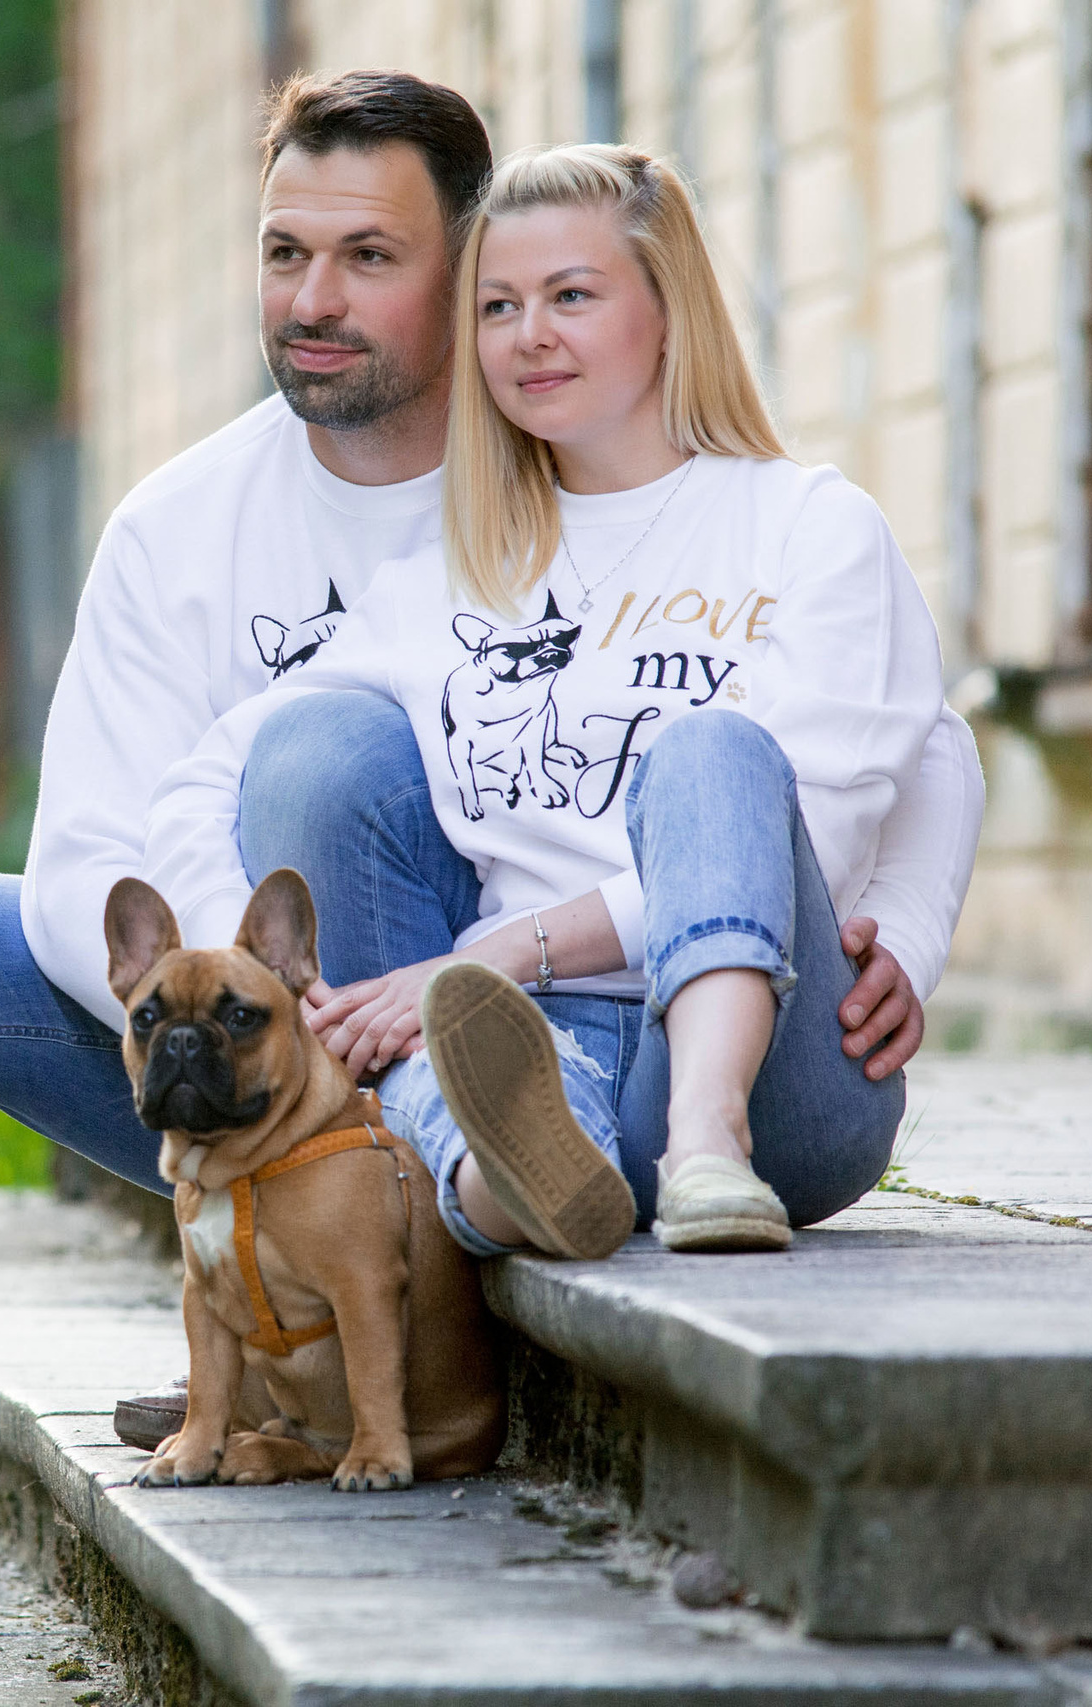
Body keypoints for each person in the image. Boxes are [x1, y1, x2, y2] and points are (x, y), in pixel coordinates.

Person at [0, 78, 981, 1685]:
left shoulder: (645, 487)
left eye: (372, 257)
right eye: (284, 252)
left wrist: (902, 925)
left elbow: (903, 734)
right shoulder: (201, 527)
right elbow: (97, 848)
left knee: (416, 767)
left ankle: (369, 1270)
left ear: (473, 264)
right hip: (316, 1040)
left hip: (584, 1013)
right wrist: (287, 1031)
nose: (313, 301)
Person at [144, 139, 955, 1262]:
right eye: (497, 306)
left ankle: (702, 1153)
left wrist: (908, 933)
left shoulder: (805, 523)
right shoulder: (446, 577)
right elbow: (209, 780)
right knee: (311, 743)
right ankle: (498, 1186)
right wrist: (249, 979)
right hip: (527, 1044)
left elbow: (898, 767)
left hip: (766, 1063)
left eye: (571, 296)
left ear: (668, 311)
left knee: (712, 751)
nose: (529, 336)